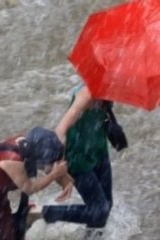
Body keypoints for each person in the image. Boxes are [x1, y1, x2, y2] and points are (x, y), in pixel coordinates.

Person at [30, 84, 117, 230]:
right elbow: (60, 132)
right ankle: (39, 212)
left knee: (105, 207)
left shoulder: (110, 89)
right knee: (99, 211)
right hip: (77, 159)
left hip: (99, 150)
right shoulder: (86, 95)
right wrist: (61, 175)